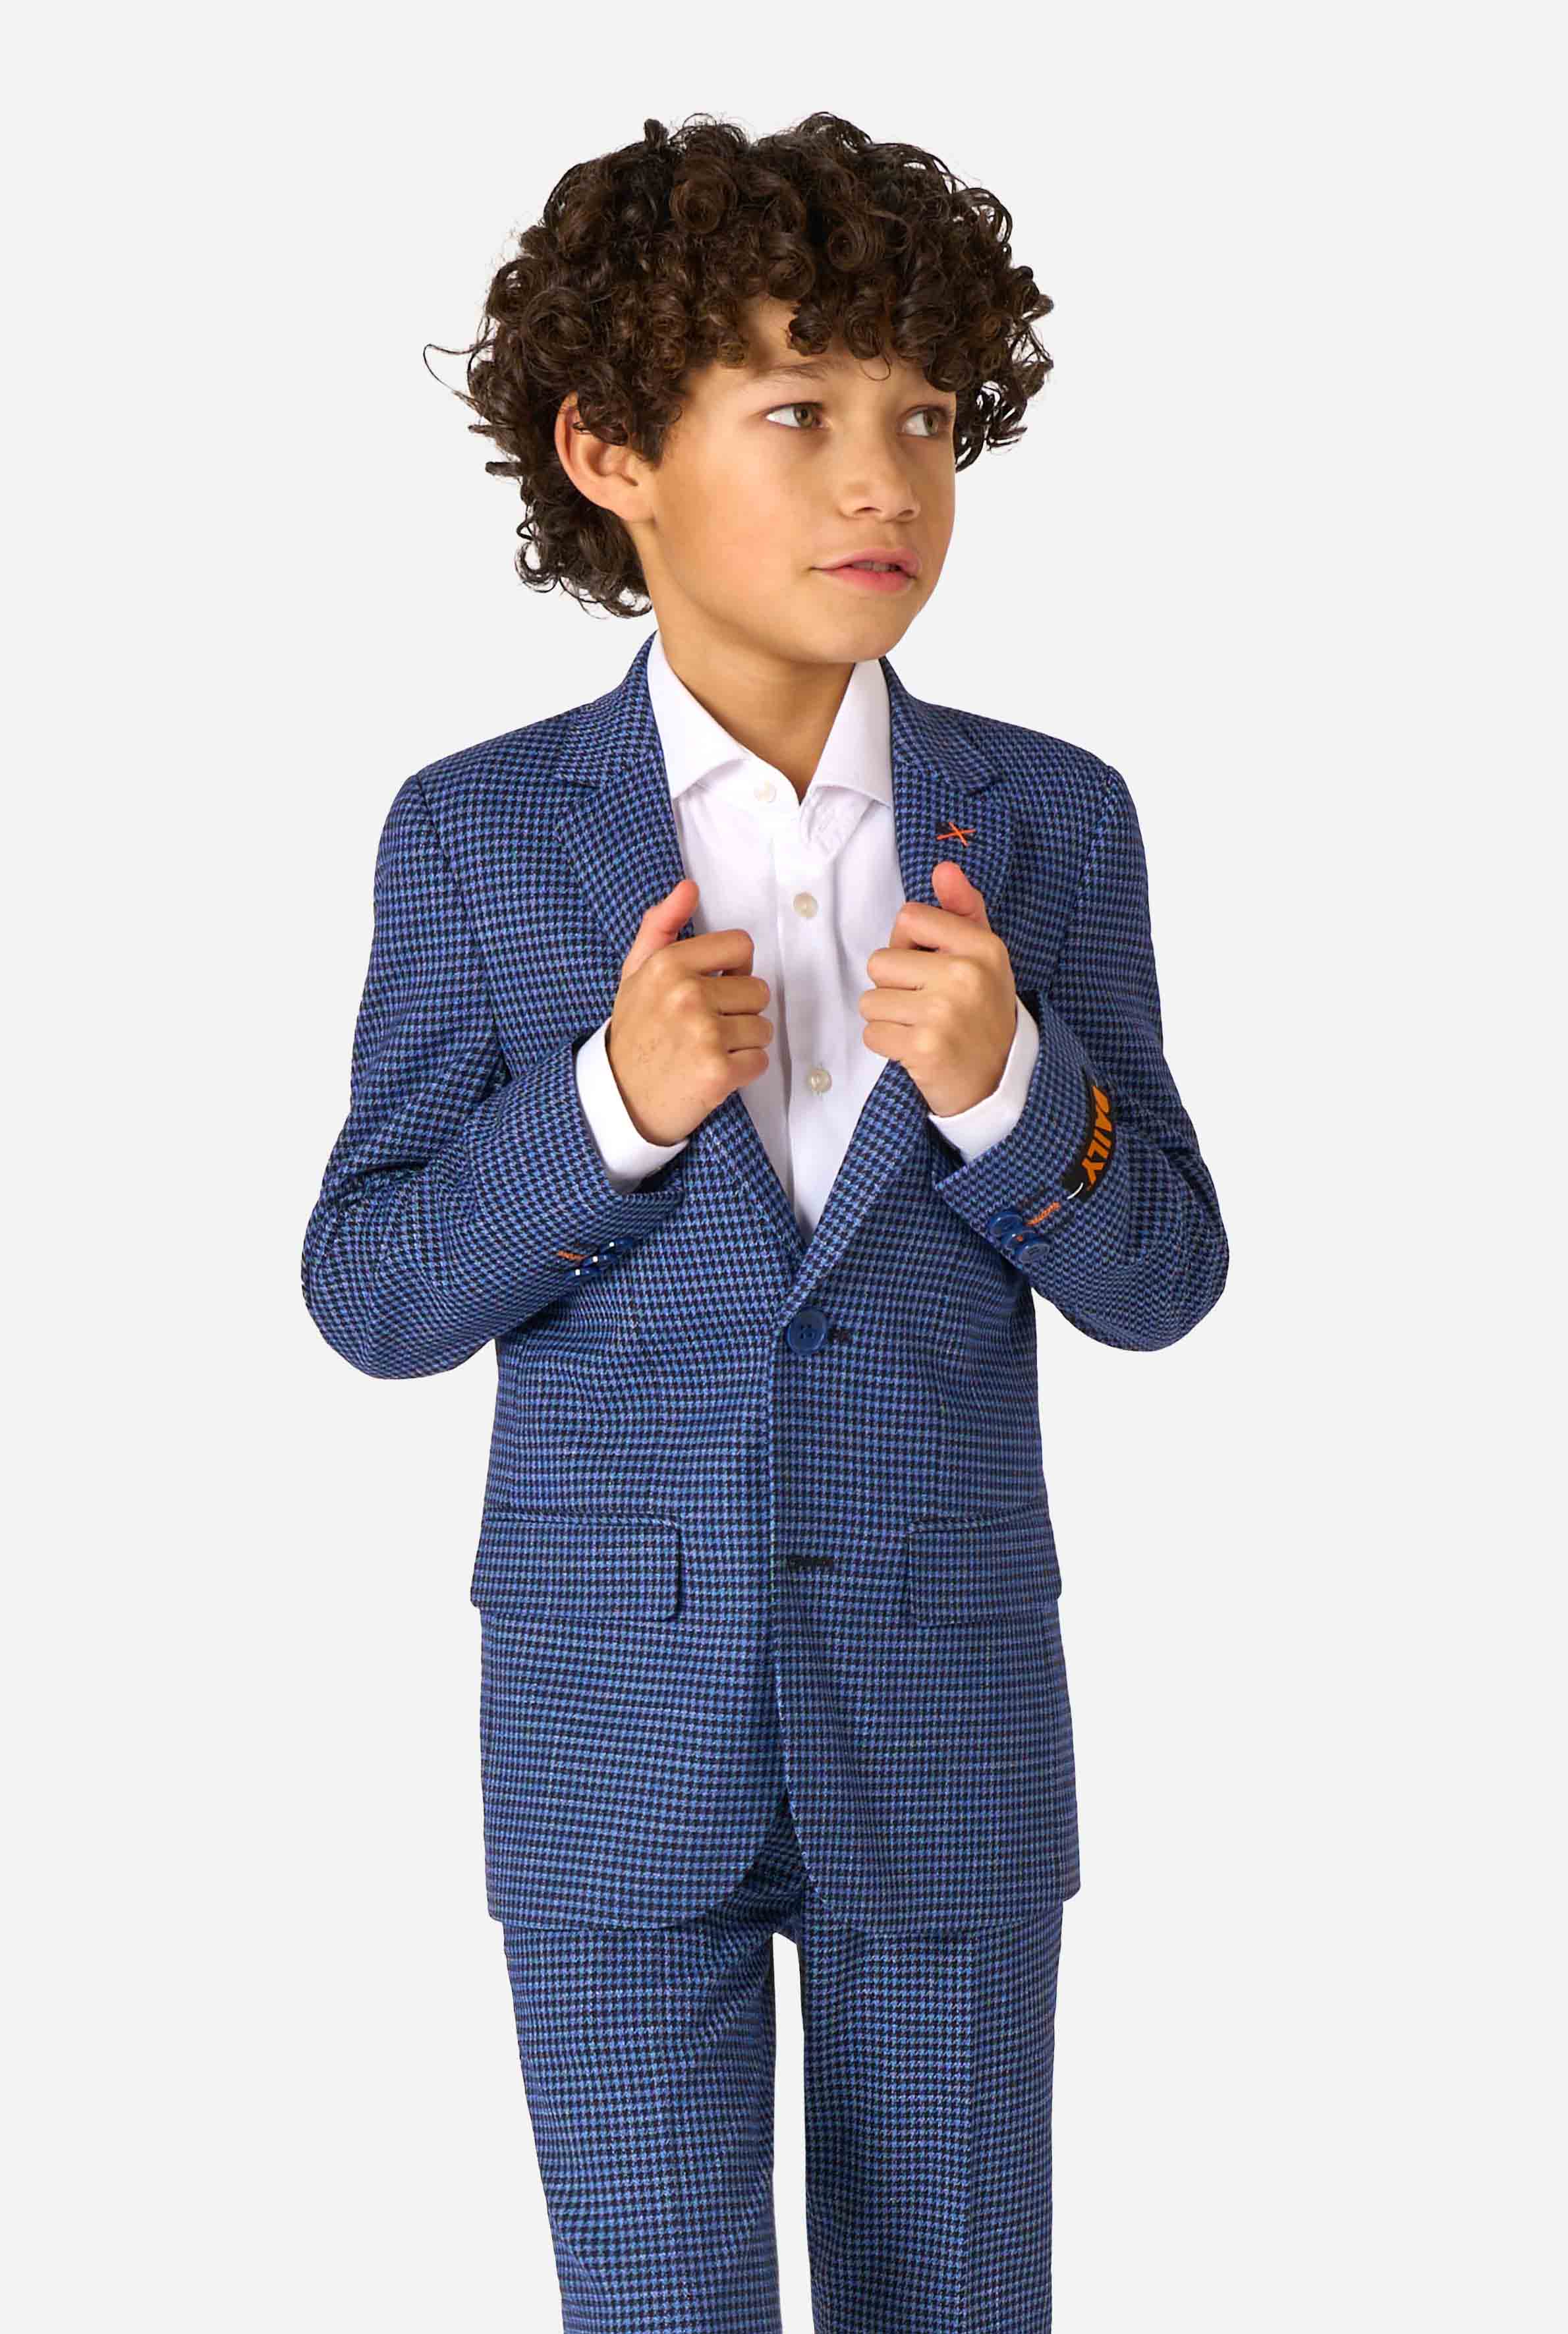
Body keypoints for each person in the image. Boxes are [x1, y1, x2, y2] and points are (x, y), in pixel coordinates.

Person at [302, 107, 1229, 2333]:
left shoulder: (1049, 823)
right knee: (653, 2304)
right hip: (612, 1729)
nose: (882, 482)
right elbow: (370, 1288)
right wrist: (604, 1109)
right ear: (610, 450)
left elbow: (1164, 1275)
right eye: (800, 413)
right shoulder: (478, 838)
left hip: (947, 1718)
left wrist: (1008, 1087)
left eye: (924, 417)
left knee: (957, 2300)